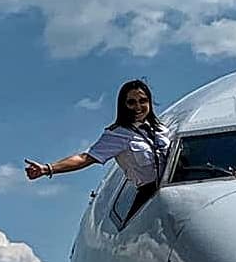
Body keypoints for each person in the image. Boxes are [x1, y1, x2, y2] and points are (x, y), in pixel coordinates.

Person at [25, 79, 172, 219]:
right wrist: (48, 168)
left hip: (173, 187)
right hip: (148, 194)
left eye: (143, 101)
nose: (138, 107)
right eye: (131, 102)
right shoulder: (118, 134)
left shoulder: (161, 129)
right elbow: (85, 158)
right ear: (123, 105)